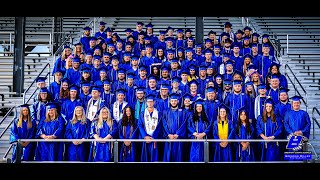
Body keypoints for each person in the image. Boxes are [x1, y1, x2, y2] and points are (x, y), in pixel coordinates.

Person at [162, 93, 190, 162]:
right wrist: (168, 134)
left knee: (178, 156)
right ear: (170, 101)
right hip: (169, 138)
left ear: (178, 101)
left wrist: (178, 134)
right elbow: (164, 124)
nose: (174, 102)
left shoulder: (183, 112)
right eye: (172, 101)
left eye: (175, 101)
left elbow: (184, 124)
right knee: (168, 156)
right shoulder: (166, 112)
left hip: (178, 138)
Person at [138, 94, 163, 162]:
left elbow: (159, 126)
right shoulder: (142, 113)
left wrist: (153, 136)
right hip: (145, 139)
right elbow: (140, 125)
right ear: (146, 102)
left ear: (154, 102)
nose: (150, 103)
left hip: (154, 138)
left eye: (151, 102)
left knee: (154, 156)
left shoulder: (159, 113)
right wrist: (145, 136)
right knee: (145, 157)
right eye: (148, 102)